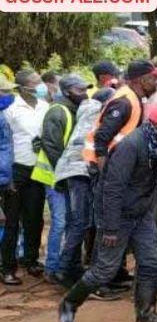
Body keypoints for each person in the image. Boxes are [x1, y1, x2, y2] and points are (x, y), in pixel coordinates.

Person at [57, 104, 157, 322]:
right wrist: (109, 228)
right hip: (119, 216)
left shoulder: (156, 145)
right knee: (104, 270)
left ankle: (146, 314)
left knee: (151, 263)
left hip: (141, 213)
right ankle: (69, 304)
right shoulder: (131, 146)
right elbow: (112, 189)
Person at [83, 59, 157, 294]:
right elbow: (101, 138)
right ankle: (98, 283)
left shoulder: (134, 99)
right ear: (140, 80)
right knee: (107, 225)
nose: (156, 81)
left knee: (115, 226)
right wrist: (107, 171)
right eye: (153, 77)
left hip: (120, 171)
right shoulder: (125, 102)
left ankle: (112, 276)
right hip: (109, 173)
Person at [53, 88, 114, 288]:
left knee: (76, 222)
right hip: (80, 170)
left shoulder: (85, 111)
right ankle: (63, 270)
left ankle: (72, 268)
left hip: (68, 170)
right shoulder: (99, 116)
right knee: (81, 222)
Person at [36, 74, 92, 283]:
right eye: (80, 90)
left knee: (72, 222)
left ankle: (68, 267)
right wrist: (64, 172)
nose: (84, 93)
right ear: (68, 91)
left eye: (85, 89)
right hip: (54, 176)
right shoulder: (58, 111)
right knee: (60, 222)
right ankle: (52, 268)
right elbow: (50, 145)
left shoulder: (75, 110)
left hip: (65, 177)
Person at [3, 70, 50, 283]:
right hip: (16, 169)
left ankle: (30, 260)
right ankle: (7, 267)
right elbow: (5, 143)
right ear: (22, 87)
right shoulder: (11, 109)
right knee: (12, 221)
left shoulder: (44, 106)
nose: (40, 85)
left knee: (34, 218)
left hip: (37, 168)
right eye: (35, 82)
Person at [0, 77, 15, 283]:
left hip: (4, 178)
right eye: (4, 92)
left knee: (6, 222)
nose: (8, 96)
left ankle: (6, 267)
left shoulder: (3, 115)